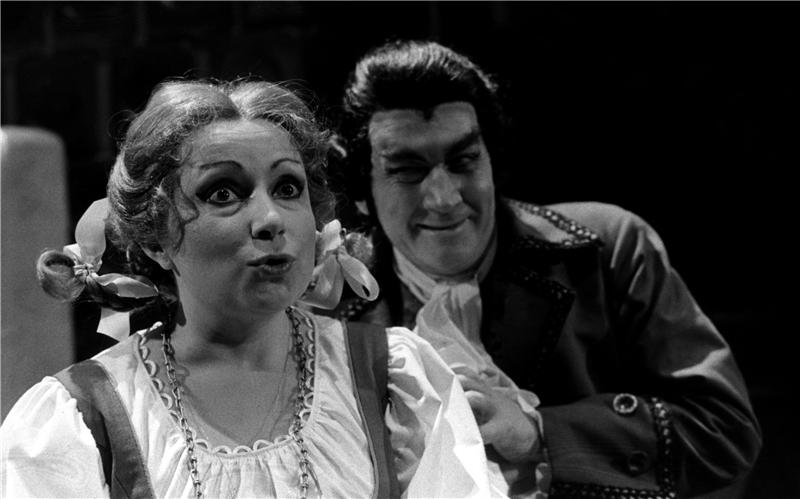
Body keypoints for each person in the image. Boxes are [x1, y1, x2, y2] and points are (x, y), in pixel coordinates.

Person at [0, 78, 512, 498]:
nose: (270, 219)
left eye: (288, 188)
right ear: (155, 238)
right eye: (223, 192)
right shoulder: (81, 420)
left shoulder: (395, 380)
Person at [329, 40, 762, 498]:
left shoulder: (609, 249)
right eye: (407, 170)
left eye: (464, 160)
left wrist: (538, 432)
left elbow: (725, 429)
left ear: (491, 159)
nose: (444, 198)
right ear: (361, 190)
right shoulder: (330, 303)